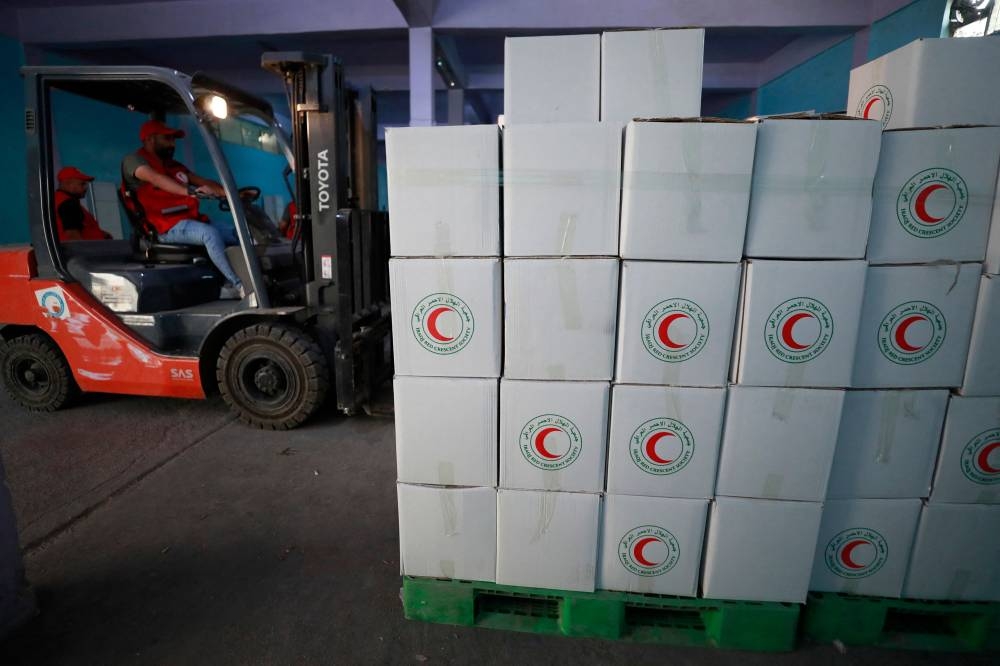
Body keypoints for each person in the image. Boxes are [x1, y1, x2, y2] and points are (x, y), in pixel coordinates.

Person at [122, 120, 244, 299]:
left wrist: (233, 194)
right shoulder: (135, 161)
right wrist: (189, 191)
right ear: (149, 139)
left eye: (174, 139)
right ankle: (239, 285)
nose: (172, 144)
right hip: (164, 227)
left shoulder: (173, 166)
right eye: (167, 138)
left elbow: (202, 181)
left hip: (190, 220)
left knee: (238, 233)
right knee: (209, 234)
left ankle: (242, 279)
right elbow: (155, 178)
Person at [54, 167, 113, 241]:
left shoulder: (60, 200)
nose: (85, 188)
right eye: (82, 184)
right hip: (86, 248)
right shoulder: (68, 203)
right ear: (68, 183)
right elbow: (72, 236)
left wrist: (102, 234)